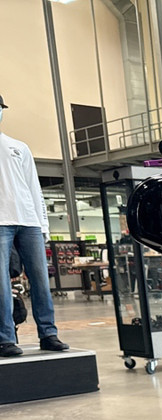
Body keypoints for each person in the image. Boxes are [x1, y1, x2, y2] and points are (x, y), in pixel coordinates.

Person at [0, 93, 68, 357]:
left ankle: (48, 334)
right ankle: (5, 338)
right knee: (2, 284)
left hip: (29, 222)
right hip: (1, 223)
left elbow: (33, 187)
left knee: (40, 279)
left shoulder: (19, 147)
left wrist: (43, 225)